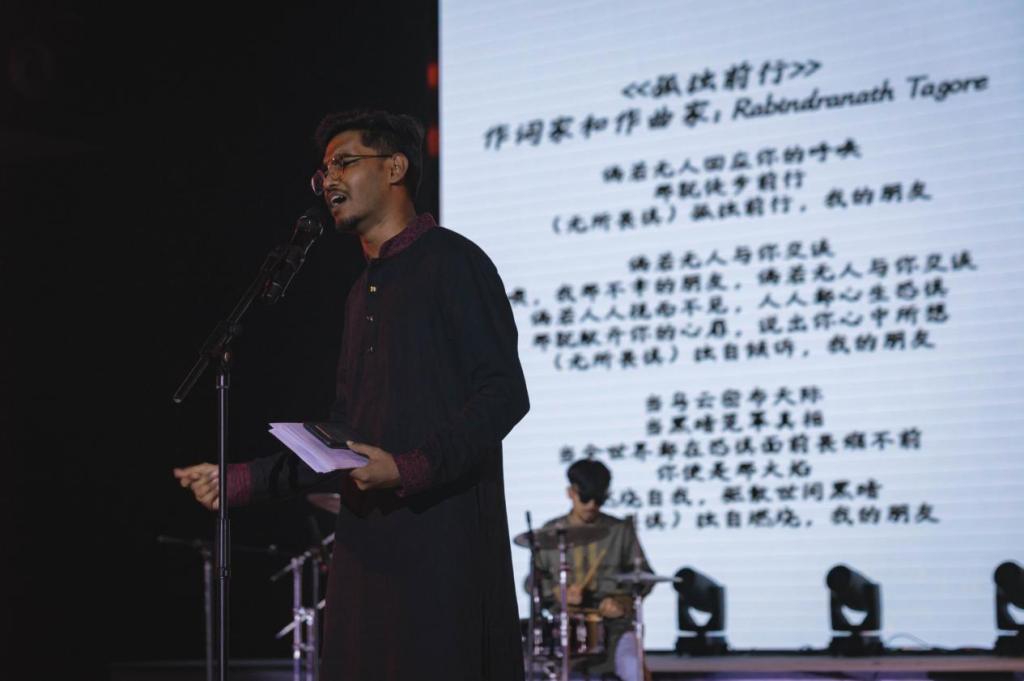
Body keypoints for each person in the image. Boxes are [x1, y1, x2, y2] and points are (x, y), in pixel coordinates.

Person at [173, 109, 530, 681]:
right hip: (368, 551)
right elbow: (344, 432)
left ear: (395, 167)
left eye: (344, 163)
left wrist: (409, 468)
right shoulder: (360, 291)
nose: (329, 181)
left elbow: (504, 393)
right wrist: (240, 479)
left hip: (442, 547)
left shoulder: (454, 262)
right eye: (324, 172)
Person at [530, 460, 652, 681]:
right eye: (585, 498)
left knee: (633, 668)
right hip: (566, 628)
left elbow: (644, 577)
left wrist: (621, 601)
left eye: (599, 499)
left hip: (614, 627)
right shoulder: (551, 532)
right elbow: (532, 581)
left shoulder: (620, 530)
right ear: (571, 492)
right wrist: (557, 592)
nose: (592, 505)